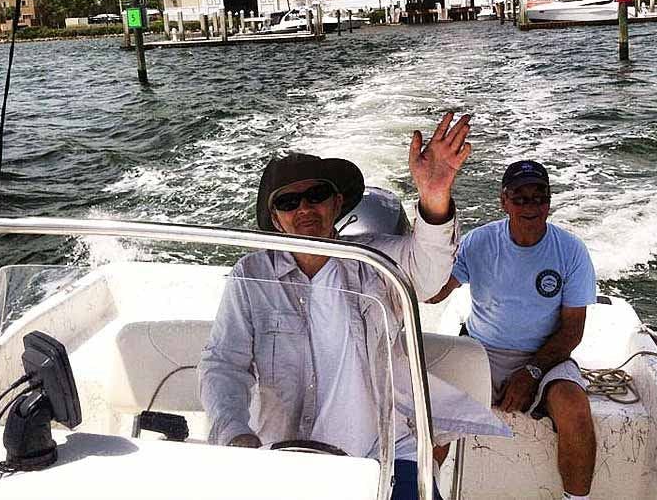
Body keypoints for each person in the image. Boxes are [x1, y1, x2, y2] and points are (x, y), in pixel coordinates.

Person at [199, 112, 508, 500]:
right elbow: (224, 364)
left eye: (316, 196)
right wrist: (234, 433)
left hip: (384, 453)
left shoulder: (378, 263)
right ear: (276, 220)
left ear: (337, 203)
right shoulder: (250, 277)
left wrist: (433, 196)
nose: (305, 208)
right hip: (282, 457)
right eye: (289, 202)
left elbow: (429, 276)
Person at [428, 160, 597, 500]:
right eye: (520, 198)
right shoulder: (478, 243)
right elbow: (434, 292)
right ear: (503, 202)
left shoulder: (572, 251)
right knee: (432, 410)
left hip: (545, 356)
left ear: (549, 202)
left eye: (539, 197)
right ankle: (425, 491)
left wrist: (532, 371)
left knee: (575, 410)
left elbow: (571, 332)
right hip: (480, 350)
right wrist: (428, 241)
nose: (530, 206)